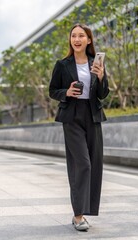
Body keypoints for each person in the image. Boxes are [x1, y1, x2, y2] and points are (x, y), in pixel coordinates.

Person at [49, 23, 109, 231]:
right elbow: (52, 90)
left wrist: (101, 77)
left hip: (92, 116)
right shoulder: (62, 64)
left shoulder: (96, 63)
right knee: (81, 164)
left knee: (94, 165)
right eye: (73, 35)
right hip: (71, 117)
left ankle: (86, 212)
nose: (76, 39)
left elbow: (103, 93)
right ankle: (78, 216)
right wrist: (66, 92)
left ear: (89, 40)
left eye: (81, 36)